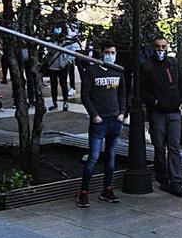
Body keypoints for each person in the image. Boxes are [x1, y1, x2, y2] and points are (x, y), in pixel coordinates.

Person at [78, 43, 127, 207]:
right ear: (101, 53)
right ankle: (83, 192)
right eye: (107, 52)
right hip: (99, 122)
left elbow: (123, 93)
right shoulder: (92, 71)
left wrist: (122, 113)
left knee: (111, 157)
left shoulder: (118, 71)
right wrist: (94, 115)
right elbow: (85, 95)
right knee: (93, 157)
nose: (110, 55)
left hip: (114, 120)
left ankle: (107, 188)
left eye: (113, 52)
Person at [140, 35, 182, 198]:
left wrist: (179, 100)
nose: (160, 50)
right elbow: (143, 89)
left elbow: (181, 83)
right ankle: (163, 178)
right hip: (158, 112)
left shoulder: (173, 63)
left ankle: (176, 180)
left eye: (163, 47)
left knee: (173, 147)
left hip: (173, 111)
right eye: (158, 47)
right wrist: (156, 102)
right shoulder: (147, 66)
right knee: (159, 147)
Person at [44, 23, 75, 110]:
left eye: (59, 28)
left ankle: (65, 103)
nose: (57, 30)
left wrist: (66, 62)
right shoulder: (49, 39)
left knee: (63, 84)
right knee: (54, 85)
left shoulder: (66, 40)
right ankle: (55, 103)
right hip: (52, 66)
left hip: (63, 66)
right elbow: (48, 51)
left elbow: (72, 53)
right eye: (55, 28)